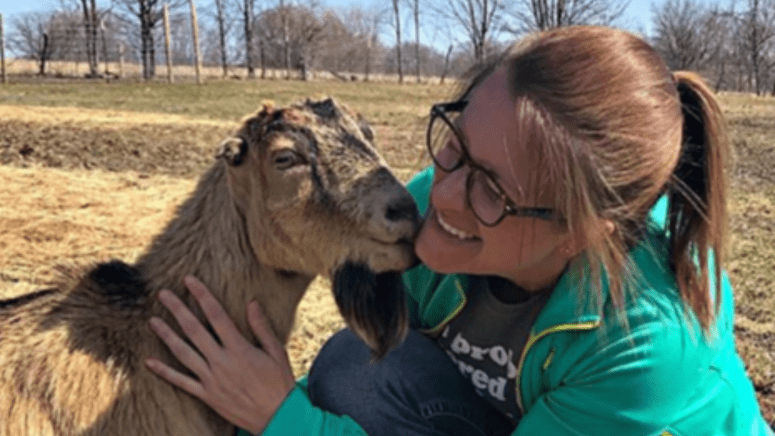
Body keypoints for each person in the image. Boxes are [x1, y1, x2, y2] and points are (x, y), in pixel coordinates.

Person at [144, 26, 775, 435]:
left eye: (492, 189)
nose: (440, 195)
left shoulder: (647, 346)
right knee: (354, 368)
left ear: (583, 232)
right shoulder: (435, 204)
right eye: (456, 143)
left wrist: (283, 421)